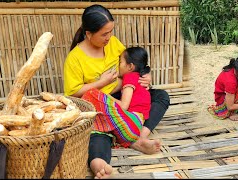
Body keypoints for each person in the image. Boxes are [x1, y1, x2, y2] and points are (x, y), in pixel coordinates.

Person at [63, 4, 170, 179]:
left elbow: (132, 63)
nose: (109, 37)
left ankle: (140, 137)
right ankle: (100, 163)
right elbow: (73, 93)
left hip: (125, 96)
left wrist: (145, 75)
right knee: (96, 132)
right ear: (88, 34)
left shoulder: (113, 43)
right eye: (104, 34)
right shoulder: (75, 58)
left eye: (111, 31)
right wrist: (101, 83)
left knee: (160, 96)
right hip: (101, 105)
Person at [82, 46, 160, 153]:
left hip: (131, 123)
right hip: (137, 125)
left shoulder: (129, 77)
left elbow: (124, 106)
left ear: (130, 67)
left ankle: (130, 140)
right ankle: (137, 143)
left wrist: (106, 96)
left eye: (120, 62)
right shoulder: (139, 78)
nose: (118, 66)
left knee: (91, 93)